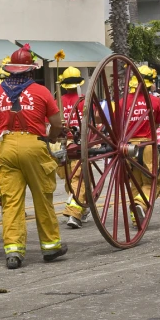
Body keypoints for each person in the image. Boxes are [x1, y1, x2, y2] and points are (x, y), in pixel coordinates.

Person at [0, 44, 65, 270]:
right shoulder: (41, 92)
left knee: (11, 201)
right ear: (30, 71)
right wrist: (51, 138)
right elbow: (57, 124)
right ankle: (50, 247)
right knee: (42, 198)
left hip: (6, 147)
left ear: (10, 70)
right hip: (34, 145)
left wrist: (0, 142)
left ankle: (13, 252)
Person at [121, 66, 160, 222]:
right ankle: (140, 203)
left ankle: (135, 217)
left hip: (127, 148)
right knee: (154, 181)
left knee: (135, 182)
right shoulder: (154, 101)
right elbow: (159, 123)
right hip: (146, 146)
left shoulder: (122, 102)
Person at [55, 66, 90, 228]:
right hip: (78, 145)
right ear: (79, 83)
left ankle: (83, 206)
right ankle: (74, 212)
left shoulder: (58, 102)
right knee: (78, 178)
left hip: (61, 145)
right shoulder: (85, 100)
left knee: (71, 179)